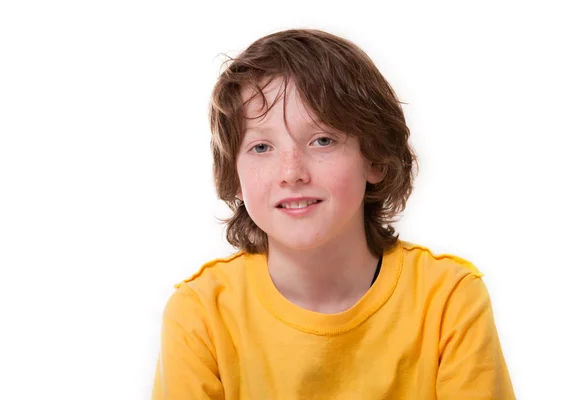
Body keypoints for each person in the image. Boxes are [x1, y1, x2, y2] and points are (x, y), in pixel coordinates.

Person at [152, 28, 515, 399]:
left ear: (374, 159)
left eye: (322, 140)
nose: (291, 172)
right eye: (262, 147)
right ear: (236, 177)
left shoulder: (449, 299)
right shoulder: (199, 314)